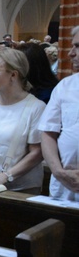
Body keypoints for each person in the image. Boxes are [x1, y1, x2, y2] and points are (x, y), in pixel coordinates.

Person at [0, 48, 45, 193]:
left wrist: (6, 175)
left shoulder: (35, 107)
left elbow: (37, 152)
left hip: (21, 187)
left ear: (13, 74)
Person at [38, 25, 79, 201]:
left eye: (77, 47)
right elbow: (48, 131)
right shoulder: (65, 86)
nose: (70, 53)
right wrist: (58, 171)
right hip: (65, 185)